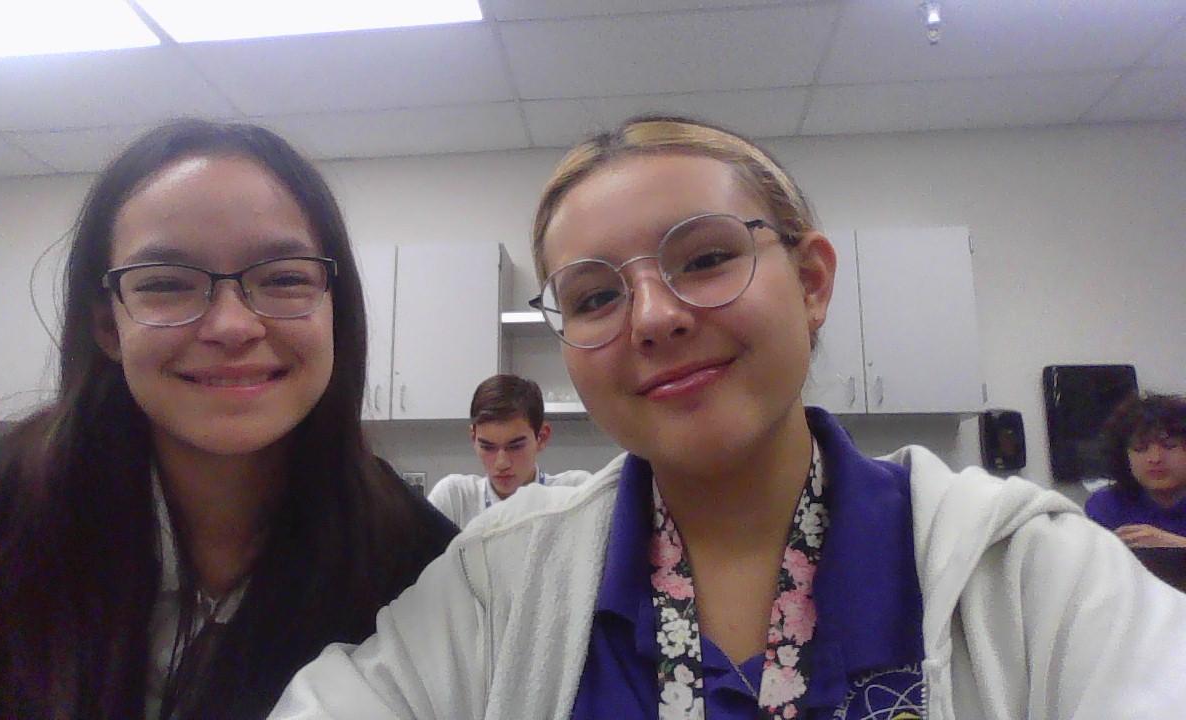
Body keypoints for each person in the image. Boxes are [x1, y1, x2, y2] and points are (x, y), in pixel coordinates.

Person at [270, 116, 1186, 719]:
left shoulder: (1027, 571)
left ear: (812, 281)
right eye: (594, 296)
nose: (653, 317)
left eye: (705, 259)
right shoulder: (496, 582)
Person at [0, 119, 457, 719]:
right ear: (107, 325)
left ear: (335, 312)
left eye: (284, 278)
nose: (232, 326)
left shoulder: (422, 566)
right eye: (167, 284)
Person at [427, 374, 591, 528]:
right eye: (487, 447)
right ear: (473, 438)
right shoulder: (455, 499)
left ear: (541, 437)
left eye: (515, 446)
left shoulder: (576, 492)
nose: (502, 463)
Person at [1087, 392, 1186, 548]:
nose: (1155, 458)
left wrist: (1175, 545)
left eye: (1169, 446)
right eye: (1140, 448)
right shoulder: (1106, 504)